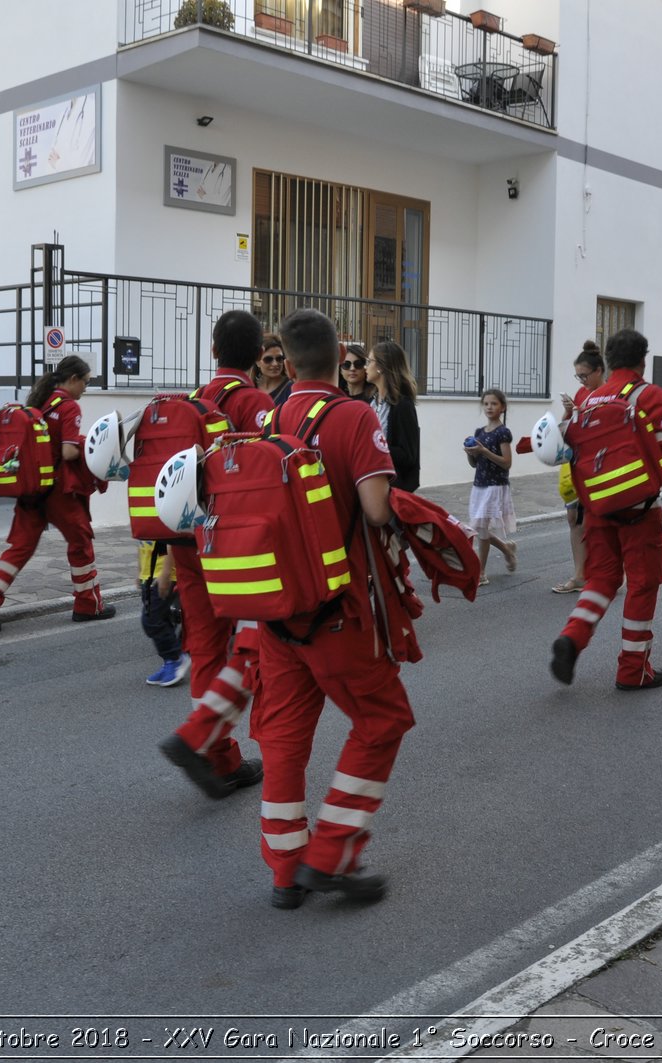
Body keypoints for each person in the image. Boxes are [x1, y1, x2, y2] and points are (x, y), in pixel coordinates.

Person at [250, 307, 411, 910]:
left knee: (285, 739)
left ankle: (286, 869)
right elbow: (376, 509)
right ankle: (333, 853)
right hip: (337, 611)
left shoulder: (267, 418)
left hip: (276, 609)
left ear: (286, 364)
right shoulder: (355, 416)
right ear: (337, 358)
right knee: (382, 719)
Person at [158, 310, 277, 800]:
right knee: (258, 645)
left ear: (213, 352)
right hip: (233, 543)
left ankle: (221, 759)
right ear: (257, 357)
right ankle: (201, 736)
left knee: (205, 647)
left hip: (187, 540)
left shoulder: (193, 401)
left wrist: (168, 555)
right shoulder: (256, 403)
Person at [549, 328, 662, 690]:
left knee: (601, 580)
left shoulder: (591, 399)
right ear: (643, 360)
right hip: (639, 510)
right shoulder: (650, 395)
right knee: (643, 583)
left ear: (608, 362)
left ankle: (573, 637)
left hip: (597, 508)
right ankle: (633, 670)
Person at [0, 355, 114, 633]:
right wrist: (92, 446)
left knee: (19, 548)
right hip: (60, 491)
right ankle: (88, 605)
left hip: (31, 488)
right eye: (85, 381)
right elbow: (68, 451)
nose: (86, 387)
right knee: (81, 543)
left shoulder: (40, 401)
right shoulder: (69, 407)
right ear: (73, 379)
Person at [552, 341, 604, 594]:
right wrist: (568, 412)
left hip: (597, 467)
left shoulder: (609, 393)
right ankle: (580, 574)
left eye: (585, 375)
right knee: (573, 517)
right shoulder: (582, 393)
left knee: (596, 521)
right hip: (576, 463)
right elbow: (569, 425)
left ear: (599, 371)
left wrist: (583, 413)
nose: (581, 380)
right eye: (578, 376)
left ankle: (605, 572)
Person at [464, 387, 516, 582]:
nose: (489, 407)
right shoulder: (479, 432)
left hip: (495, 485)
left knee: (482, 529)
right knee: (480, 529)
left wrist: (484, 451)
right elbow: (474, 464)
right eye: (486, 404)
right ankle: (507, 549)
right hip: (480, 485)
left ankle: (481, 573)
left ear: (502, 407)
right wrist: (471, 454)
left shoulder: (503, 432)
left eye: (494, 403)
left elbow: (506, 462)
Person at [366, 339, 421, 492]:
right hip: (372, 483)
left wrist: (374, 446)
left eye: (369, 361)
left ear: (381, 368)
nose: (366, 367)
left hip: (393, 489)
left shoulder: (402, 406)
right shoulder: (372, 402)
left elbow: (408, 455)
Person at [137, 541, 186, 687]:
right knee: (162, 617)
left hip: (165, 574)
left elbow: (171, 542)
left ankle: (176, 657)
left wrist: (165, 573)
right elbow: (140, 544)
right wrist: (139, 571)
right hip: (149, 574)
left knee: (151, 620)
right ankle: (169, 661)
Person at [256, 333, 293, 406]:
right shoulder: (250, 387)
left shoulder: (291, 388)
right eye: (268, 359)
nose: (275, 364)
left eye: (279, 359)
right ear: (257, 362)